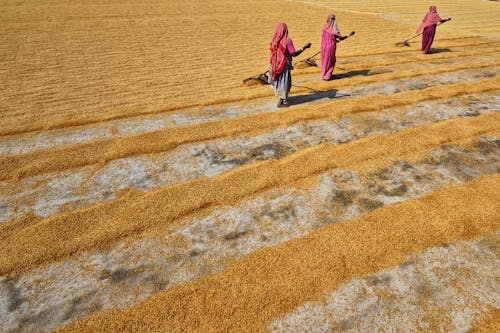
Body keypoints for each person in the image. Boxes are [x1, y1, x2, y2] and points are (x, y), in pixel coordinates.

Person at [269, 22, 311, 107]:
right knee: (284, 82)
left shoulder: (274, 40)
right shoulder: (287, 41)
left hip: (274, 65)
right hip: (283, 65)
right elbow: (293, 54)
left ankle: (282, 98)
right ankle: (282, 101)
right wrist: (304, 48)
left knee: (279, 81)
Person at [320, 14, 343, 81]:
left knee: (324, 60)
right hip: (330, 47)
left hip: (323, 46)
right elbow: (340, 37)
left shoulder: (324, 27)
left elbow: (326, 37)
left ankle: (324, 74)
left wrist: (334, 39)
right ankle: (327, 76)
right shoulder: (334, 28)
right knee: (331, 60)